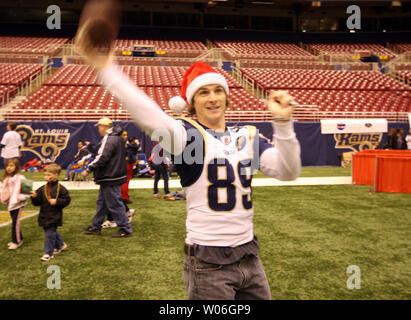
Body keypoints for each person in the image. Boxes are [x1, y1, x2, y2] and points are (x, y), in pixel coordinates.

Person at [75, 34, 300, 300]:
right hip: (208, 261)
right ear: (192, 103)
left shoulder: (246, 136)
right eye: (203, 92)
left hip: (250, 255)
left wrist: (283, 124)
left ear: (228, 98)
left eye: (218, 91)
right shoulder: (186, 136)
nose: (213, 98)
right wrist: (108, 70)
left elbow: (288, 172)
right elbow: (148, 115)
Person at [81, 117, 132, 238]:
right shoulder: (118, 138)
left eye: (99, 127)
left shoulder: (109, 139)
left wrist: (89, 169)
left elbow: (103, 156)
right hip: (114, 174)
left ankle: (125, 229)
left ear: (103, 127)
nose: (98, 129)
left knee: (114, 204)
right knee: (102, 203)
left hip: (109, 176)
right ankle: (96, 226)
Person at [30, 164, 71, 261]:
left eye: (49, 175)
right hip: (44, 214)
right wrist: (35, 196)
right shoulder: (42, 189)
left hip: (54, 215)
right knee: (50, 232)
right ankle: (60, 245)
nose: (46, 177)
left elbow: (67, 200)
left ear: (56, 175)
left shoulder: (60, 188)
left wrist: (57, 201)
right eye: (45, 175)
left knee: (50, 232)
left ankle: (48, 253)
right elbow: (37, 203)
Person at [1, 158, 31, 250]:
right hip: (10, 204)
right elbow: (3, 190)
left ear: (16, 167)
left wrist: (20, 198)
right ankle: (18, 238)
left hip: (18, 204)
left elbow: (27, 189)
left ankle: (17, 241)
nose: (9, 168)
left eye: (11, 166)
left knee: (15, 224)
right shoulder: (6, 179)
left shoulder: (21, 177)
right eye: (7, 166)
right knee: (15, 223)